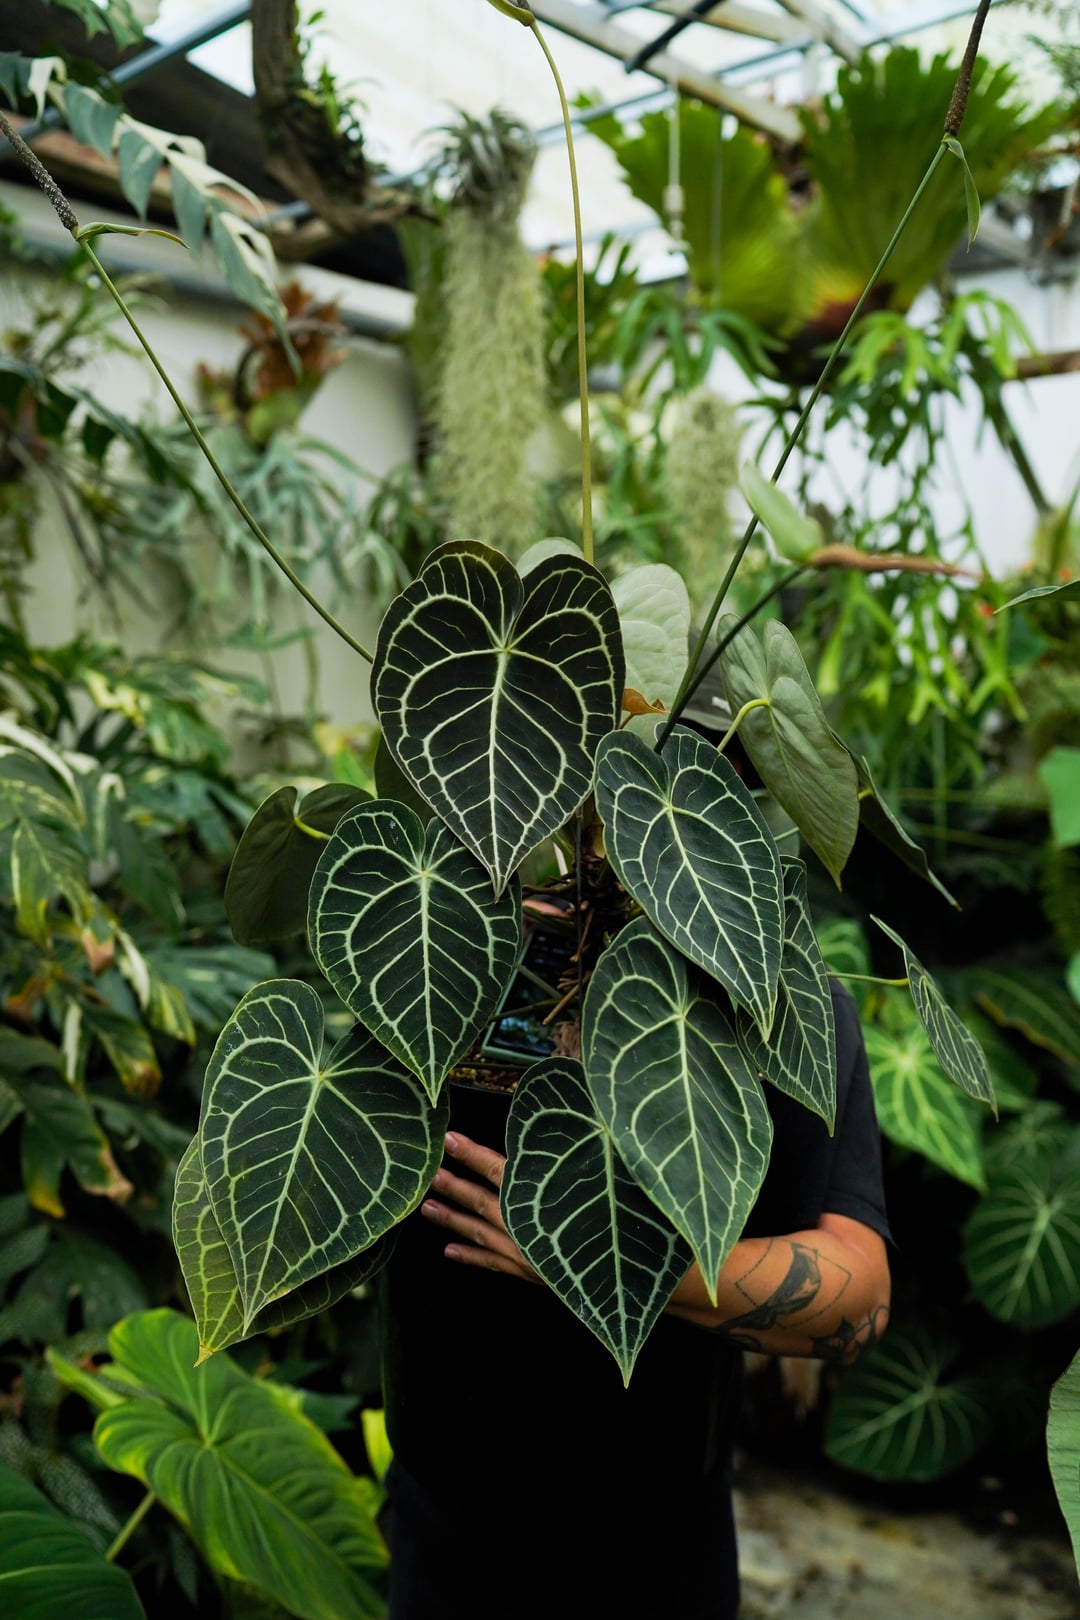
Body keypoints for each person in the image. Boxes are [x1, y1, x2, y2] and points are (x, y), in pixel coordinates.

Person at [376, 977, 892, 1620]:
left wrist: (594, 1251)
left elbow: (858, 1297)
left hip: (659, 1530)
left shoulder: (769, 991)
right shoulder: (444, 968)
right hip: (443, 1516)